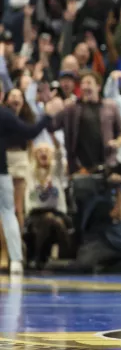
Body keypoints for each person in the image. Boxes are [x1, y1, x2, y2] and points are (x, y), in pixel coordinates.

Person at [0, 92, 65, 275]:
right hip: (1, 172)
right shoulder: (4, 114)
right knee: (8, 213)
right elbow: (30, 132)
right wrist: (47, 115)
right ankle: (16, 261)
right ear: (1, 95)